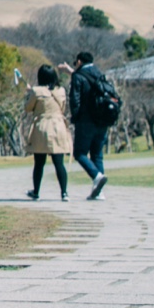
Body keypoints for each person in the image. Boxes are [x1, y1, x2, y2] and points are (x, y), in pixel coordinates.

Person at [65, 50, 112, 199]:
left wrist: (75, 117)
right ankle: (99, 192)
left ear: (79, 61)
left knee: (79, 153)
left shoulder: (78, 76)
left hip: (85, 121)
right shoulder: (99, 74)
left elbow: (75, 100)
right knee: (97, 154)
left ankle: (96, 176)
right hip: (103, 121)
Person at [23, 66, 72, 200]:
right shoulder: (61, 91)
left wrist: (29, 93)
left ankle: (36, 191)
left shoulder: (36, 91)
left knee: (39, 163)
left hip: (42, 127)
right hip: (58, 126)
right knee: (59, 163)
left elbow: (28, 108)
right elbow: (62, 108)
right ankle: (64, 192)